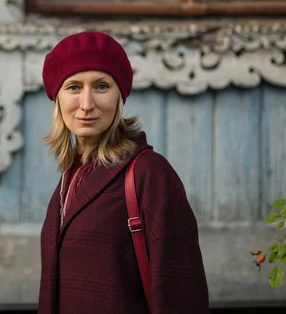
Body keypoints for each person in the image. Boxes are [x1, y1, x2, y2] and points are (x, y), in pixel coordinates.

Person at [37, 31, 209, 314]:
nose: (87, 104)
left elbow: (181, 292)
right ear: (57, 98)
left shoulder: (149, 174)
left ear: (120, 97)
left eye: (102, 86)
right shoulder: (70, 179)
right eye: (74, 87)